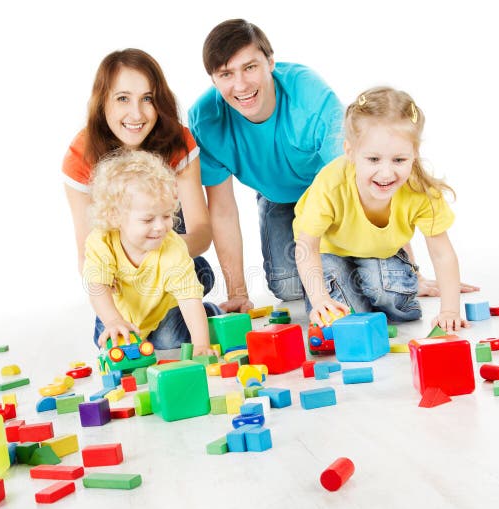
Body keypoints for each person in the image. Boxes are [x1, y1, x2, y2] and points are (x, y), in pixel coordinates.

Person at [189, 19, 476, 314]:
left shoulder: (309, 97)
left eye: (250, 67)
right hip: (277, 196)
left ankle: (369, 271)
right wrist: (237, 292)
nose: (241, 85)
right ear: (213, 79)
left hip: (333, 192)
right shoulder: (206, 118)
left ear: (270, 62)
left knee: (374, 278)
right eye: (226, 74)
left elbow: (373, 182)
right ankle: (339, 272)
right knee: (288, 286)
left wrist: (409, 272)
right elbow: (222, 210)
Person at [293, 87, 469, 332]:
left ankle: (370, 285)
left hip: (379, 252)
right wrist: (320, 299)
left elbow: (441, 253)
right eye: (373, 159)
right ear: (350, 152)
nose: (386, 173)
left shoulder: (421, 190)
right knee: (343, 320)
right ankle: (349, 288)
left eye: (399, 160)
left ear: (414, 155)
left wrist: (450, 310)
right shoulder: (331, 184)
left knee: (395, 302)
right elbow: (306, 246)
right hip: (328, 250)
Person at [63, 48, 215, 294]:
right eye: (123, 98)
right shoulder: (80, 156)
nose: (136, 114)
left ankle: (192, 289)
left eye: (147, 98)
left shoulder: (178, 142)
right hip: (121, 273)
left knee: (183, 303)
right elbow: (87, 257)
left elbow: (201, 233)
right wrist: (118, 291)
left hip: (168, 250)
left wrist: (159, 260)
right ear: (103, 102)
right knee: (124, 333)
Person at [83, 150, 221, 354]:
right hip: (123, 309)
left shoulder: (172, 247)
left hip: (162, 308)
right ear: (115, 217)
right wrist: (113, 320)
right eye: (148, 220)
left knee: (168, 340)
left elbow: (188, 300)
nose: (160, 227)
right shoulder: (101, 241)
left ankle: (209, 311)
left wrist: (201, 344)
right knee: (105, 339)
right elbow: (97, 286)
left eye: (166, 216)